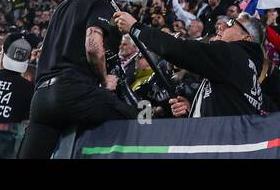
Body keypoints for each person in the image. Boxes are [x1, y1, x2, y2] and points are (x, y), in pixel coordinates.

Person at [19, 0, 135, 158]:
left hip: (41, 99)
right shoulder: (99, 2)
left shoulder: (61, 7)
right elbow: (93, 47)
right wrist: (104, 79)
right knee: (138, 117)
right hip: (74, 91)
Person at [113, 7, 268, 118]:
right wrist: (192, 109)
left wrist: (135, 28)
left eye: (231, 23)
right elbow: (226, 106)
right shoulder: (246, 65)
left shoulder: (232, 54)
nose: (221, 25)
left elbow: (179, 49)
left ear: (246, 38)